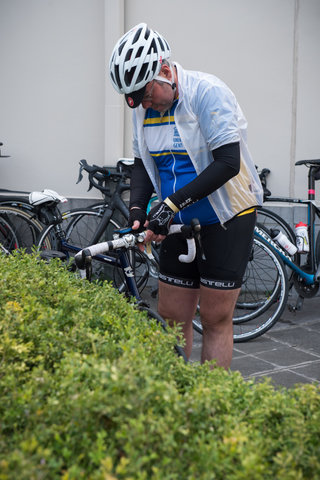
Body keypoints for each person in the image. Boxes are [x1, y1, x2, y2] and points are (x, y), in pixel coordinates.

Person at [109, 23, 263, 369]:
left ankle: (209, 405)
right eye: (136, 100)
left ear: (165, 70)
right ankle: (175, 404)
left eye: (146, 94)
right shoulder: (143, 109)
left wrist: (171, 204)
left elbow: (227, 163)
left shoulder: (207, 92)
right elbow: (142, 165)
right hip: (176, 223)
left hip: (225, 218)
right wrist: (137, 210)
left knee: (213, 318)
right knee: (171, 315)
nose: (144, 104)